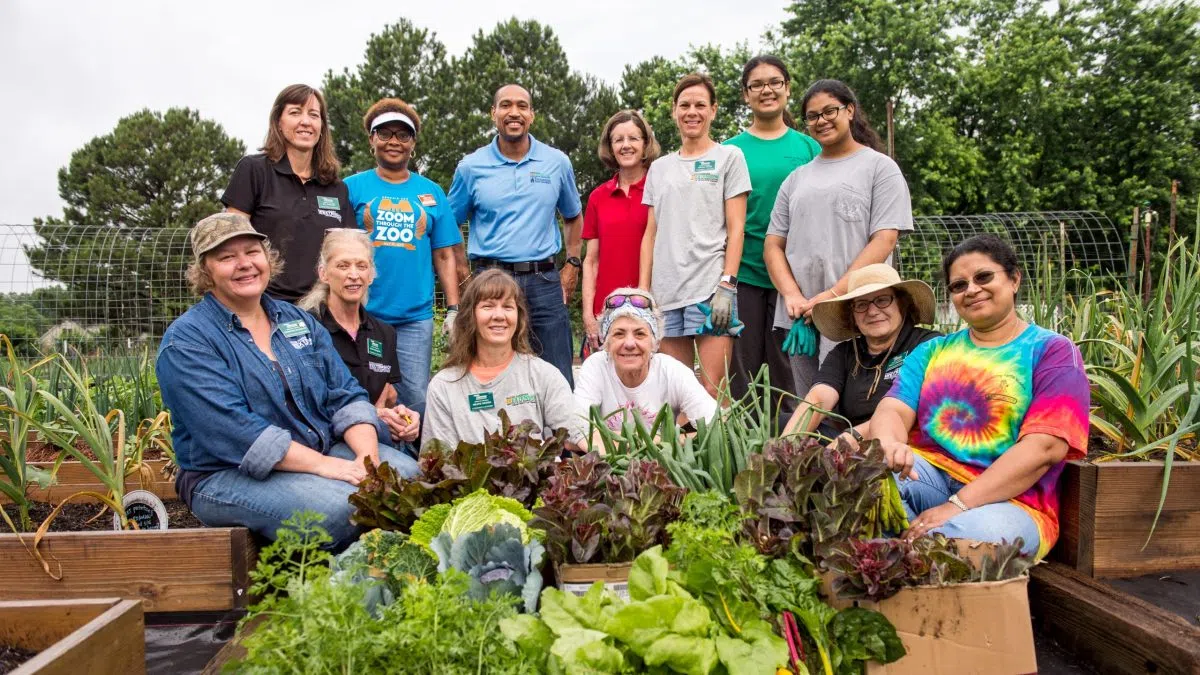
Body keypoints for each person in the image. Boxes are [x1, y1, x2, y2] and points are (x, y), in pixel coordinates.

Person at [156, 213, 419, 551]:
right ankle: (331, 591)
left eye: (252, 252)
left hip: (315, 448)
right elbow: (236, 433)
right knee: (340, 508)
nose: (244, 264)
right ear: (206, 272)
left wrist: (368, 463)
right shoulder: (189, 342)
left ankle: (390, 580)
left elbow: (345, 395)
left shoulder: (295, 319)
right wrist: (327, 467)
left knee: (406, 478)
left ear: (267, 258)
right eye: (227, 257)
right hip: (227, 473)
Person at [870, 235, 1090, 558]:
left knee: (955, 545)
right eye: (959, 286)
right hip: (929, 477)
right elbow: (892, 409)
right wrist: (888, 444)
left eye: (983, 277)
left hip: (1015, 501)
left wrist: (956, 506)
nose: (971, 289)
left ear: (1014, 279)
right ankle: (896, 558)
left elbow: (1045, 447)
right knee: (866, 485)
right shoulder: (933, 350)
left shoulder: (1053, 352)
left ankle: (902, 553)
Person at [763, 79, 913, 399]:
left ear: (849, 110)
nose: (822, 120)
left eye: (830, 111)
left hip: (856, 309)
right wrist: (792, 295)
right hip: (802, 316)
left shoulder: (879, 168)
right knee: (811, 402)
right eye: (813, 116)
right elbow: (773, 244)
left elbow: (884, 239)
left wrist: (834, 294)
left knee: (859, 397)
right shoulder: (796, 180)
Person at [448, 84, 582, 387]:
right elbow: (450, 223)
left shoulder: (557, 162)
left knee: (557, 375)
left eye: (522, 106)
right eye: (505, 105)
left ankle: (560, 435)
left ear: (531, 115)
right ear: (493, 114)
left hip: (544, 280)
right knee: (492, 373)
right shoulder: (470, 167)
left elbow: (573, 216)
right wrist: (463, 273)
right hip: (489, 280)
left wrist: (572, 263)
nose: (514, 112)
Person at [344, 98, 463, 410]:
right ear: (371, 140)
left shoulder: (432, 193)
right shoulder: (351, 188)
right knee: (365, 397)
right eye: (384, 133)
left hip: (415, 318)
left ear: (413, 143)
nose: (394, 141)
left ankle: (414, 459)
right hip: (363, 315)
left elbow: (445, 254)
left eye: (403, 134)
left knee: (415, 400)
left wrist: (453, 308)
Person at [638, 72, 751, 400]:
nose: (692, 111)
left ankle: (723, 452)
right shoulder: (659, 168)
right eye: (684, 105)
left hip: (710, 291)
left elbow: (736, 228)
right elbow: (650, 233)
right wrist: (645, 291)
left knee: (713, 391)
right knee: (677, 394)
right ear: (674, 110)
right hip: (667, 294)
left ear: (713, 110)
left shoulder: (729, 158)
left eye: (700, 104)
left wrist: (727, 284)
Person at [724, 55, 822, 425]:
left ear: (787, 88)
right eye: (757, 84)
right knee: (743, 373)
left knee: (789, 373)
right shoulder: (731, 151)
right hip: (745, 274)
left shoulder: (809, 147)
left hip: (793, 282)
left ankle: (791, 448)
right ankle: (748, 453)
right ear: (746, 95)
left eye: (774, 82)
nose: (766, 90)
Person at [423, 269, 587, 451]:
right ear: (470, 316)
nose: (499, 315)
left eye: (508, 307)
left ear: (519, 317)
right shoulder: (444, 385)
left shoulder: (542, 374)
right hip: (469, 480)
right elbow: (439, 459)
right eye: (488, 306)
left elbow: (577, 432)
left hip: (530, 479)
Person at [222, 84, 355, 303]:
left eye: (314, 115)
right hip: (264, 303)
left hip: (320, 306)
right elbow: (231, 239)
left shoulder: (336, 187)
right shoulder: (254, 170)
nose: (305, 121)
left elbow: (345, 248)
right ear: (278, 123)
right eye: (295, 112)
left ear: (322, 126)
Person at [782, 264, 940, 439]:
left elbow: (911, 411)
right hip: (847, 442)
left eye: (882, 300)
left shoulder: (927, 344)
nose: (872, 311)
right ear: (853, 315)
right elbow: (819, 399)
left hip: (901, 444)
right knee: (784, 423)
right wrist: (788, 442)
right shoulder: (844, 352)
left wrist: (851, 438)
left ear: (902, 304)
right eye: (861, 304)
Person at [297, 229, 421, 448]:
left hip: (372, 436)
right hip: (325, 440)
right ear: (323, 273)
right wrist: (375, 415)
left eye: (361, 266)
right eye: (343, 266)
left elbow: (385, 400)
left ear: (371, 274)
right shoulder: (306, 329)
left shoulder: (384, 333)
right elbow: (307, 404)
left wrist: (402, 419)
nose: (353, 274)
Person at [575, 288, 718, 430]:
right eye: (619, 334)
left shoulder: (671, 370)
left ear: (655, 342)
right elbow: (573, 433)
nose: (629, 343)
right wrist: (658, 442)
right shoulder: (596, 366)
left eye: (640, 334)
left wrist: (668, 443)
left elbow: (717, 425)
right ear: (606, 342)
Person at [580, 111, 662, 354]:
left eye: (633, 138)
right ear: (610, 147)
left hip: (649, 306)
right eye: (618, 140)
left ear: (646, 144)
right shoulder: (598, 197)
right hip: (607, 310)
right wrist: (588, 314)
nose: (626, 145)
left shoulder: (660, 191)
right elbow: (591, 260)